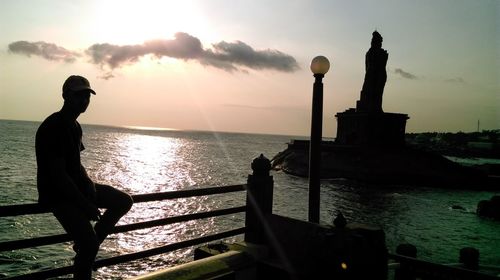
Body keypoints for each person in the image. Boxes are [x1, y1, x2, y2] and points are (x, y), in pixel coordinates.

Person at [35, 75, 133, 279]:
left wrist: (87, 181)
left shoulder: (74, 126)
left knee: (123, 201)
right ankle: (86, 248)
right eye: (79, 95)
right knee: (89, 245)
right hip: (58, 195)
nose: (84, 100)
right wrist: (85, 204)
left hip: (76, 188)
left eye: (87, 96)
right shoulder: (54, 126)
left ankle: (85, 244)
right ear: (65, 95)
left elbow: (76, 164)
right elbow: (58, 175)